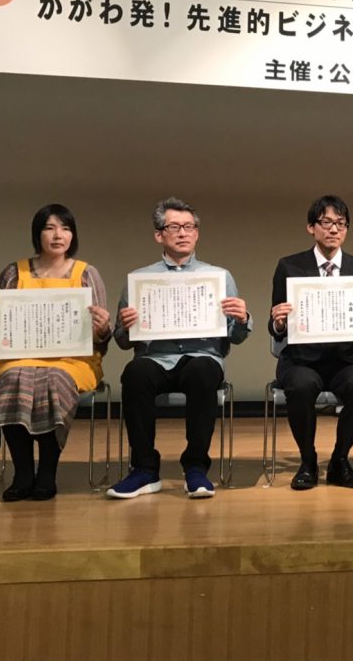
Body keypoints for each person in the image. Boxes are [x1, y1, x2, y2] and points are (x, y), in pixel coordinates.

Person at [108, 197, 251, 500]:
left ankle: (196, 467)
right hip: (155, 358)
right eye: (174, 227)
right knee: (135, 373)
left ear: (197, 233)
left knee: (202, 371)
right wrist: (126, 326)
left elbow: (236, 337)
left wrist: (242, 319)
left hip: (201, 357)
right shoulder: (139, 279)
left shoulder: (218, 277)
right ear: (159, 235)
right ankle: (144, 469)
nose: (183, 233)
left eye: (189, 227)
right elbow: (122, 341)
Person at [0, 203, 112, 502]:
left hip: (71, 360)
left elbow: (101, 337)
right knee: (13, 380)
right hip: (18, 357)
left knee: (53, 380)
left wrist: (102, 328)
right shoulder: (14, 272)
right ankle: (23, 473)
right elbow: (1, 328)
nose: (58, 235)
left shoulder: (87, 273)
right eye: (50, 228)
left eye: (65, 228)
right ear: (38, 234)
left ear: (73, 235)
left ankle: (47, 472)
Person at [270, 195, 353, 490]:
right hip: (302, 358)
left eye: (341, 223)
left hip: (345, 359)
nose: (334, 229)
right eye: (326, 222)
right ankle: (308, 461)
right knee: (300, 387)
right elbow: (276, 325)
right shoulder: (289, 266)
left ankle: (339, 460)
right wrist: (278, 322)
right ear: (311, 227)